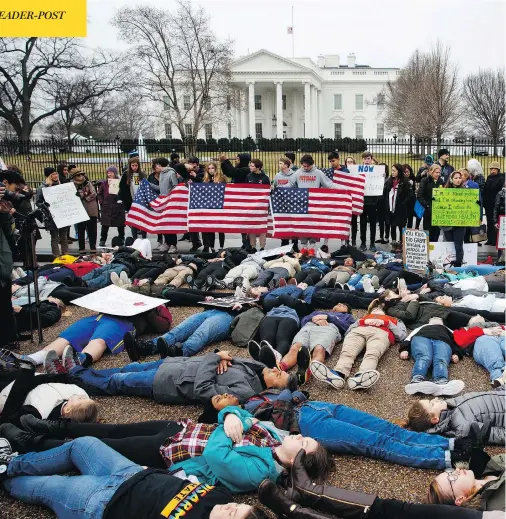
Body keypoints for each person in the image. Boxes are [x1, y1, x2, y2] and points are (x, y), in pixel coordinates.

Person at [0, 436, 263, 519]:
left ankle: (5, 478)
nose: (231, 507)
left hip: (101, 502)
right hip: (130, 471)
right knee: (82, 444)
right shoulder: (220, 496)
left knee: (44, 487)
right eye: (238, 506)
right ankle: (12, 463)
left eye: (232, 516)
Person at [260, 452, 493, 519]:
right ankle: (307, 495)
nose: (455, 471)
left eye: (450, 477)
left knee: (396, 510)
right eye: (450, 474)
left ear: (460, 501)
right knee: (395, 510)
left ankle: (299, 507)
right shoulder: (493, 469)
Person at [42, 350, 296, 405]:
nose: (276, 370)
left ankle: (71, 375)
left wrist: (215, 358)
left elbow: (203, 388)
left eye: (279, 376)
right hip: (174, 365)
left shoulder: (244, 391)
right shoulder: (254, 371)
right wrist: (262, 369)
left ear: (274, 389)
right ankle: (80, 371)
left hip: (168, 383)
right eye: (280, 369)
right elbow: (232, 357)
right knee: (123, 370)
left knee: (117, 382)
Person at [310, 306, 407, 391]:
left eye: (379, 309)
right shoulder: (363, 318)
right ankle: (338, 374)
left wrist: (386, 323)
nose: (376, 309)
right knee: (347, 352)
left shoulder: (393, 319)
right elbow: (349, 330)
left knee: (373, 354)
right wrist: (361, 322)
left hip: (381, 332)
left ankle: (362, 376)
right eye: (374, 309)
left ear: (384, 313)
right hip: (358, 331)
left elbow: (402, 335)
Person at [399, 388, 504, 445]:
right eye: (432, 404)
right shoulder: (461, 427)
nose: (435, 399)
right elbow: (494, 434)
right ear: (435, 419)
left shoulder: (450, 404)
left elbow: (485, 396)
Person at [276, 307, 354, 384]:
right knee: (295, 347)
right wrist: (314, 318)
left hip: (329, 328)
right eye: (338, 304)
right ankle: (280, 368)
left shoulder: (347, 317)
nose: (339, 304)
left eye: (343, 305)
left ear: (347, 311)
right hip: (309, 326)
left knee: (319, 349)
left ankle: (305, 374)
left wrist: (328, 317)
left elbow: (347, 327)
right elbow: (303, 320)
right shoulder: (318, 312)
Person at [0, 368, 98, 424]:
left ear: (67, 409)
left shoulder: (40, 413)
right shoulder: (78, 392)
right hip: (33, 379)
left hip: (9, 391)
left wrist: (27, 378)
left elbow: (10, 411)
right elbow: (68, 379)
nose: (82, 396)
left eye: (81, 399)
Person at [400, 317, 465, 396]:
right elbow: (409, 338)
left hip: (443, 341)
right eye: (434, 318)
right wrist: (405, 348)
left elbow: (456, 341)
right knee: (424, 357)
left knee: (441, 359)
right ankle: (417, 380)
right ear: (429, 322)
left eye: (438, 318)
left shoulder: (447, 329)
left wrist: (457, 353)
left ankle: (441, 382)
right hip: (421, 337)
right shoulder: (422, 327)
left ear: (442, 323)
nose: (436, 319)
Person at [292, 154, 338, 252]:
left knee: (314, 225)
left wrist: (343, 189)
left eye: (307, 166)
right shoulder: (298, 173)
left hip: (314, 204)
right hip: (301, 203)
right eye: (304, 166)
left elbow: (329, 184)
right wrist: (277, 188)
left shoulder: (318, 173)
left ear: (311, 164)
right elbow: (290, 184)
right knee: (302, 225)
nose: (305, 168)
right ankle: (303, 246)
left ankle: (312, 246)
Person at [428, 454, 504, 511]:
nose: (457, 470)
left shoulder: (488, 465)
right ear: (460, 499)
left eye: (450, 472)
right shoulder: (498, 507)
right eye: (451, 478)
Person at [36, 167, 68, 259]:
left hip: (62, 214)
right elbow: (38, 202)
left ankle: (65, 254)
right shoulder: (43, 187)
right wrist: (46, 206)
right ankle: (57, 256)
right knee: (55, 237)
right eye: (53, 174)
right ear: (49, 176)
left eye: (56, 174)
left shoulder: (61, 185)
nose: (56, 176)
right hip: (51, 216)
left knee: (64, 236)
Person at [443, 171, 473, 267]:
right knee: (449, 244)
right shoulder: (445, 191)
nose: (458, 180)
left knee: (458, 246)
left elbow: (470, 206)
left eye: (459, 178)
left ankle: (458, 265)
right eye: (455, 178)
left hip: (460, 224)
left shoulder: (465, 191)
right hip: (448, 224)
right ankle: (448, 265)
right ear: (451, 180)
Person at [69, 168, 98, 255]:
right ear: (74, 177)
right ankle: (81, 248)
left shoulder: (88, 183)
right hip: (79, 210)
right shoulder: (72, 185)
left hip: (91, 209)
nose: (81, 176)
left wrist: (84, 197)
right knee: (81, 230)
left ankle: (93, 247)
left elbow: (94, 193)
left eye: (81, 174)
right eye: (78, 175)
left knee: (92, 229)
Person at [118, 156, 147, 240]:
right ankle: (135, 239)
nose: (134, 167)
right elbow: (121, 187)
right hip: (131, 200)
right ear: (130, 166)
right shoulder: (126, 174)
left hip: (141, 200)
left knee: (143, 220)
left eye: (136, 165)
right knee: (134, 221)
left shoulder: (142, 174)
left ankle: (144, 238)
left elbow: (146, 186)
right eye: (133, 166)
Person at [386, 163, 412, 252]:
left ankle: (401, 243)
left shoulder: (404, 181)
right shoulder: (389, 181)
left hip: (400, 208)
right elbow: (386, 191)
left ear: (399, 171)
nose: (392, 172)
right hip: (391, 207)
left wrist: (403, 203)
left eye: (394, 171)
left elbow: (409, 195)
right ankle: (393, 243)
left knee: (401, 226)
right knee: (392, 226)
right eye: (392, 171)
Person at [98, 166, 125, 247]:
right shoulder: (104, 183)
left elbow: (123, 193)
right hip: (107, 207)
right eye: (108, 173)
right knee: (105, 225)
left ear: (115, 174)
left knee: (120, 225)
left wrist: (121, 201)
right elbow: (100, 194)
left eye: (111, 173)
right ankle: (102, 240)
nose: (109, 174)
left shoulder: (119, 182)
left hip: (118, 207)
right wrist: (102, 202)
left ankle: (121, 238)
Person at [202, 162, 226, 252]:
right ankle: (210, 246)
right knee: (209, 227)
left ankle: (221, 246)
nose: (211, 170)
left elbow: (225, 189)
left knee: (220, 228)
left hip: (219, 205)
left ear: (216, 169)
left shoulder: (221, 178)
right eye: (209, 168)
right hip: (208, 206)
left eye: (212, 168)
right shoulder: (205, 178)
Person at [359, 151, 380, 251]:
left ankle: (372, 243)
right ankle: (363, 243)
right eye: (365, 158)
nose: (367, 160)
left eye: (368, 158)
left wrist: (382, 175)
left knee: (372, 223)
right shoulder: (358, 170)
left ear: (371, 159)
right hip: (362, 201)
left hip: (372, 201)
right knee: (362, 223)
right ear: (362, 159)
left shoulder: (376, 170)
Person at [417, 163, 444, 242]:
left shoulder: (441, 181)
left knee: (436, 232)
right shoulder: (425, 181)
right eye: (436, 172)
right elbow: (420, 195)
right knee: (428, 231)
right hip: (428, 211)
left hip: (437, 211)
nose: (438, 174)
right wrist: (427, 206)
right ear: (431, 172)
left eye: (439, 172)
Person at [247, 159, 270, 251]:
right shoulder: (248, 176)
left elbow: (268, 192)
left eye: (252, 166)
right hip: (251, 206)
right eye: (250, 165)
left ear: (258, 167)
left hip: (261, 207)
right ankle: (253, 246)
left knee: (262, 227)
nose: (250, 167)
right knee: (251, 227)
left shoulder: (265, 178)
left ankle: (262, 246)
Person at [483, 161, 504, 245]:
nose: (493, 171)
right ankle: (490, 239)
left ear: (498, 169)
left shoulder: (501, 178)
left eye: (494, 169)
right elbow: (486, 189)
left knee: (495, 222)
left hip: (496, 204)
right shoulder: (489, 178)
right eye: (491, 169)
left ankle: (495, 239)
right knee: (489, 222)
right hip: (488, 204)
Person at [404, 164, 418, 228]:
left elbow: (414, 189)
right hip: (403, 201)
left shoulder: (412, 178)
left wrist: (412, 184)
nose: (406, 173)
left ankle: (409, 230)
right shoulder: (401, 179)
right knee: (403, 219)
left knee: (410, 217)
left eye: (408, 172)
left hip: (411, 201)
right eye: (405, 172)